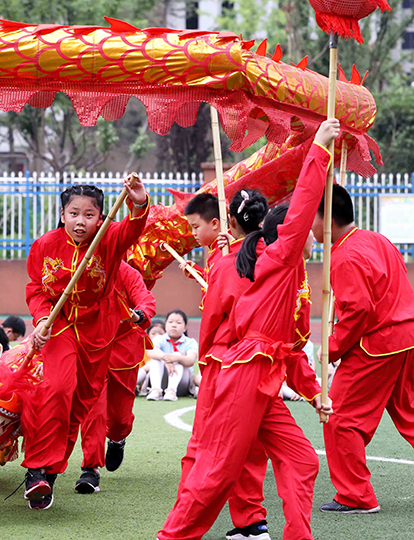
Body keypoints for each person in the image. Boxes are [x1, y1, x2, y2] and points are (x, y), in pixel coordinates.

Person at [158, 120, 339, 540]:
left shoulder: (237, 261)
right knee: (217, 469)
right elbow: (304, 204)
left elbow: (286, 346)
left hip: (255, 371)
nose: (312, 233)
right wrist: (319, 150)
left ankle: (296, 534)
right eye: (302, 230)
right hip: (243, 371)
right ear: (278, 233)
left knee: (301, 457)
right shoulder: (275, 259)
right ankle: (172, 537)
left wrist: (314, 394)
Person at [19, 176, 149, 511]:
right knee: (57, 389)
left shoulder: (108, 241)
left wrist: (139, 204)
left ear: (101, 218)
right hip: (60, 325)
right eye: (74, 213)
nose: (81, 221)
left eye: (89, 215)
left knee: (79, 406)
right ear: (62, 215)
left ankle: (50, 472)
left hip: (97, 331)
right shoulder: (44, 245)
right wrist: (41, 318)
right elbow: (35, 288)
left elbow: (132, 231)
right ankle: (36, 469)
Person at [312, 183, 414, 514]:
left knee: (338, 416)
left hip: (377, 343)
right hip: (406, 337)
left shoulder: (344, 255)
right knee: (410, 414)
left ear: (326, 218)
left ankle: (355, 496)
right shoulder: (377, 240)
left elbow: (357, 310)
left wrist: (331, 348)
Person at [183, 189, 273, 540]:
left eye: (194, 227)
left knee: (205, 447)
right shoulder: (277, 256)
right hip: (266, 361)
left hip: (227, 362)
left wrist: (205, 359)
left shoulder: (227, 262)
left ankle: (181, 525)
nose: (192, 233)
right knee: (252, 447)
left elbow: (214, 318)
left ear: (228, 221)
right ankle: (252, 524)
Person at [77, 261, 155, 493]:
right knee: (93, 409)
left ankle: (118, 439)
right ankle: (90, 468)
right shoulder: (79, 266)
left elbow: (145, 298)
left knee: (120, 419)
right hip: (91, 348)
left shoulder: (125, 272)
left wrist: (140, 314)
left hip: (123, 349)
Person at [145, 310, 197, 401]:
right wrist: (166, 358)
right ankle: (156, 390)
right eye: (170, 322)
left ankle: (171, 391)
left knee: (177, 355)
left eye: (178, 323)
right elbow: (150, 350)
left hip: (183, 382)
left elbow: (191, 360)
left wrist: (176, 358)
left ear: (185, 328)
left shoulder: (190, 342)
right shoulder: (159, 339)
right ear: (166, 325)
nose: (174, 325)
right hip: (162, 379)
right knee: (156, 359)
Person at [137, 322, 165, 395]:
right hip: (146, 378)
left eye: (160, 334)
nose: (157, 336)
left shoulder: (166, 347)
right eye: (153, 333)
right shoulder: (145, 350)